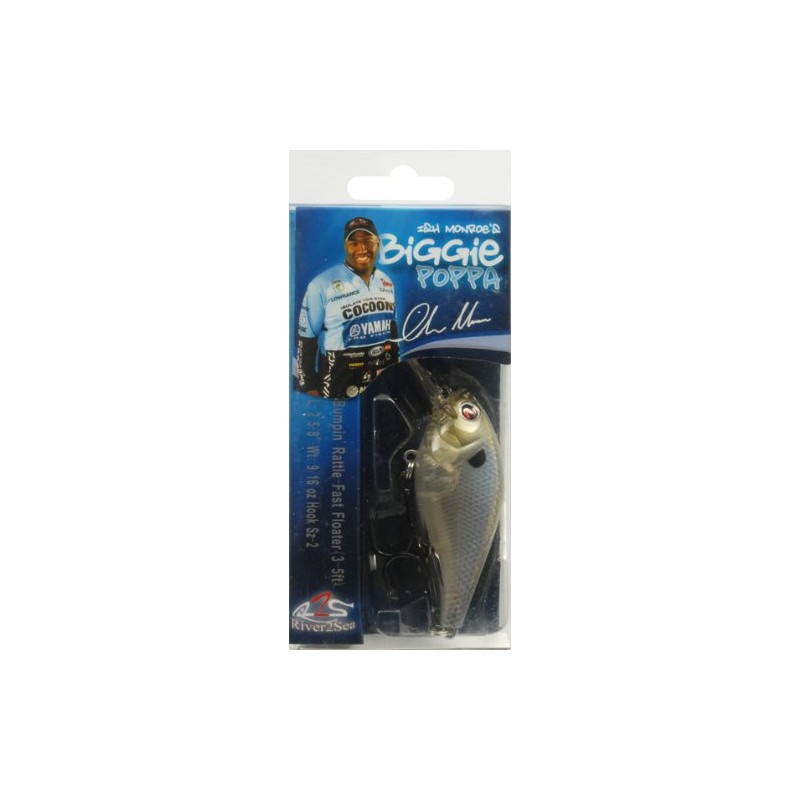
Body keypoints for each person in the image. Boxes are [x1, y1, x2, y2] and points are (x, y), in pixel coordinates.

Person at [295, 216, 399, 399]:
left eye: (367, 241)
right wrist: (308, 386)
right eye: (354, 243)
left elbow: (392, 332)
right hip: (337, 387)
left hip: (380, 385)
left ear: (378, 243)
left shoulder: (386, 281)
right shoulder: (320, 285)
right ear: (345, 246)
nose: (362, 248)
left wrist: (396, 373)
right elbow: (306, 339)